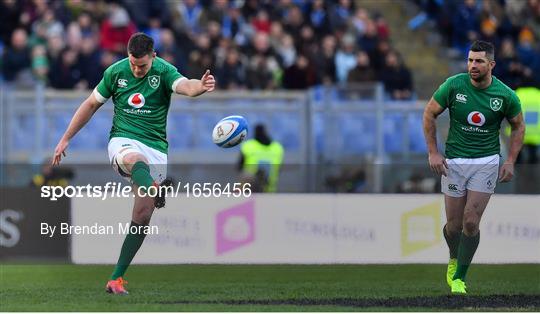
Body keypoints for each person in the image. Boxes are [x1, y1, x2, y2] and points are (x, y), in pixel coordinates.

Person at [52, 32, 215, 294]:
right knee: (135, 160)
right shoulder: (116, 72)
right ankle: (152, 186)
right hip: (124, 141)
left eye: (143, 65)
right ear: (128, 56)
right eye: (133, 64)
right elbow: (91, 104)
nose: (137, 70)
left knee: (142, 215)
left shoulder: (164, 72)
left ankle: (115, 279)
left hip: (157, 149)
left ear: (154, 56)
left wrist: (201, 86)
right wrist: (65, 138)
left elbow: (187, 86)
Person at [423, 40, 525, 294]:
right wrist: (434, 152)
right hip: (454, 161)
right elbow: (429, 114)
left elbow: (518, 126)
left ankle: (460, 277)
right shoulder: (453, 85)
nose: (472, 65)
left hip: (486, 161)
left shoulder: (505, 95)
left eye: (479, 61)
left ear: (491, 64)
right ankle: (454, 257)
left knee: (470, 222)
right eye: (470, 60)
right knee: (453, 227)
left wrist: (510, 160)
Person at [238, 124, 284, 193]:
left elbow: (239, 167)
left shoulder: (248, 146)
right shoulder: (277, 148)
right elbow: (279, 169)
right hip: (270, 190)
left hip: (249, 190)